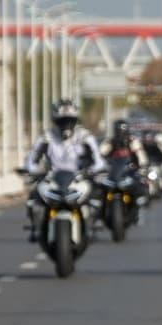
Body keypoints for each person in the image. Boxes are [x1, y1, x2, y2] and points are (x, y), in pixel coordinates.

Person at [24, 99, 103, 233]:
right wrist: (34, 171)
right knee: (33, 198)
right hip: (52, 179)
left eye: (70, 120)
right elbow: (32, 160)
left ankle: (93, 223)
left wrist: (90, 171)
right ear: (55, 121)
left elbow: (98, 161)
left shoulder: (85, 137)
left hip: (78, 178)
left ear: (76, 120)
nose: (66, 125)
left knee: (97, 195)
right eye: (62, 121)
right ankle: (36, 228)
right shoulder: (46, 137)